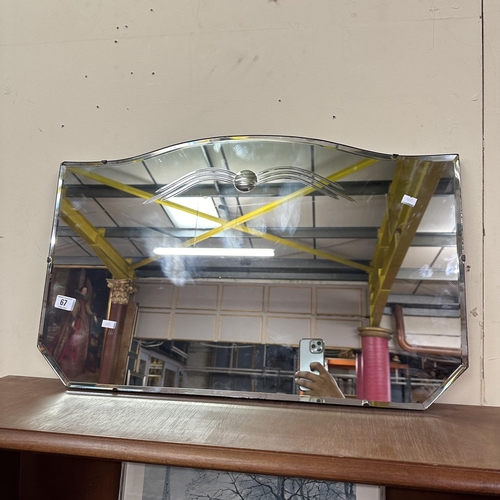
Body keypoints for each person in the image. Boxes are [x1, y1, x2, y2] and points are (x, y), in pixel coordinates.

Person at [49, 286, 97, 379]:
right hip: (78, 320)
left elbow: (87, 309)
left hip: (83, 321)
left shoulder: (85, 300)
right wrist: (74, 320)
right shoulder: (78, 300)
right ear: (81, 291)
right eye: (84, 290)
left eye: (86, 291)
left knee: (81, 341)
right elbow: (75, 310)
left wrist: (93, 315)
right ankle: (68, 359)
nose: (85, 292)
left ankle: (77, 361)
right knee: (71, 339)